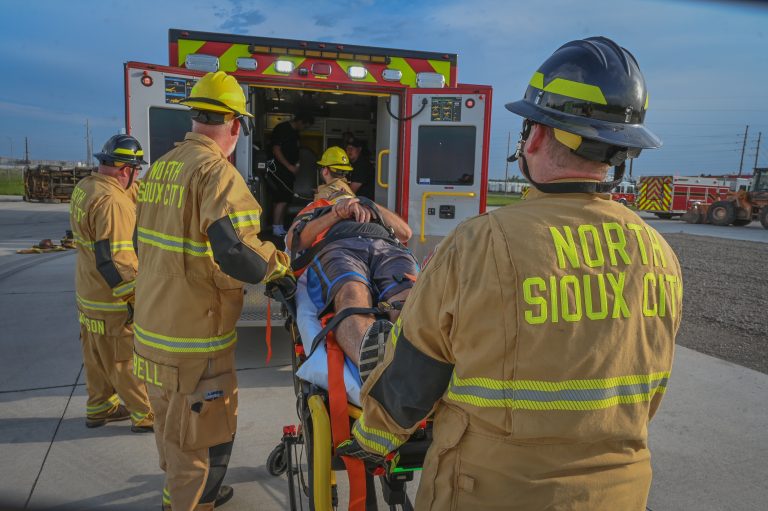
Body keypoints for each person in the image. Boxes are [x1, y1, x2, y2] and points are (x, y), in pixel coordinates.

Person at [339, 37, 684, 510]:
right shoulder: (659, 253)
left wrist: (373, 438)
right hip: (619, 494)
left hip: (491, 490)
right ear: (621, 152)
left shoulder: (480, 242)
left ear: (535, 135)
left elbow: (415, 371)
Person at [133, 71, 293, 511]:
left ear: (196, 117)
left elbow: (139, 242)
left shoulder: (162, 167)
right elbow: (236, 251)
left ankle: (182, 496)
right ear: (235, 125)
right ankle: (191, 502)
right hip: (194, 344)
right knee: (198, 443)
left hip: (151, 332)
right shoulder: (215, 173)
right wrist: (280, 269)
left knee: (171, 430)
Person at [287, 146, 415, 381]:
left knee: (407, 295)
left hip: (386, 246)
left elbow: (405, 233)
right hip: (339, 247)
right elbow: (295, 241)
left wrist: (367, 203)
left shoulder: (368, 205)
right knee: (352, 293)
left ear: (324, 172)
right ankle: (373, 365)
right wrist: (335, 213)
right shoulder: (316, 207)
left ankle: (413, 357)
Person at [69, 134, 153, 433]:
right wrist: (136, 299)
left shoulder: (86, 187)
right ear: (125, 170)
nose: (137, 176)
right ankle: (146, 415)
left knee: (95, 355)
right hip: (111, 298)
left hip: (88, 292)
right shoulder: (113, 203)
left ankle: (100, 407)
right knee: (123, 360)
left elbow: (131, 193)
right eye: (136, 171)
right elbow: (117, 260)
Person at [270, 112, 314, 236]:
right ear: (300, 122)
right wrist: (289, 166)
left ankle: (280, 226)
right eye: (305, 126)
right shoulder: (282, 129)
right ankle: (276, 227)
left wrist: (297, 165)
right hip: (279, 170)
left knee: (286, 199)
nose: (304, 129)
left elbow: (297, 150)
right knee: (281, 199)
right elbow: (276, 150)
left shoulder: (295, 133)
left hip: (289, 171)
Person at [345, 137, 375, 201]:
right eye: (348, 148)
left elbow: (350, 192)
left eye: (352, 148)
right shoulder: (351, 163)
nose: (349, 150)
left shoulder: (362, 165)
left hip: (365, 203)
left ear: (359, 149)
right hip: (357, 201)